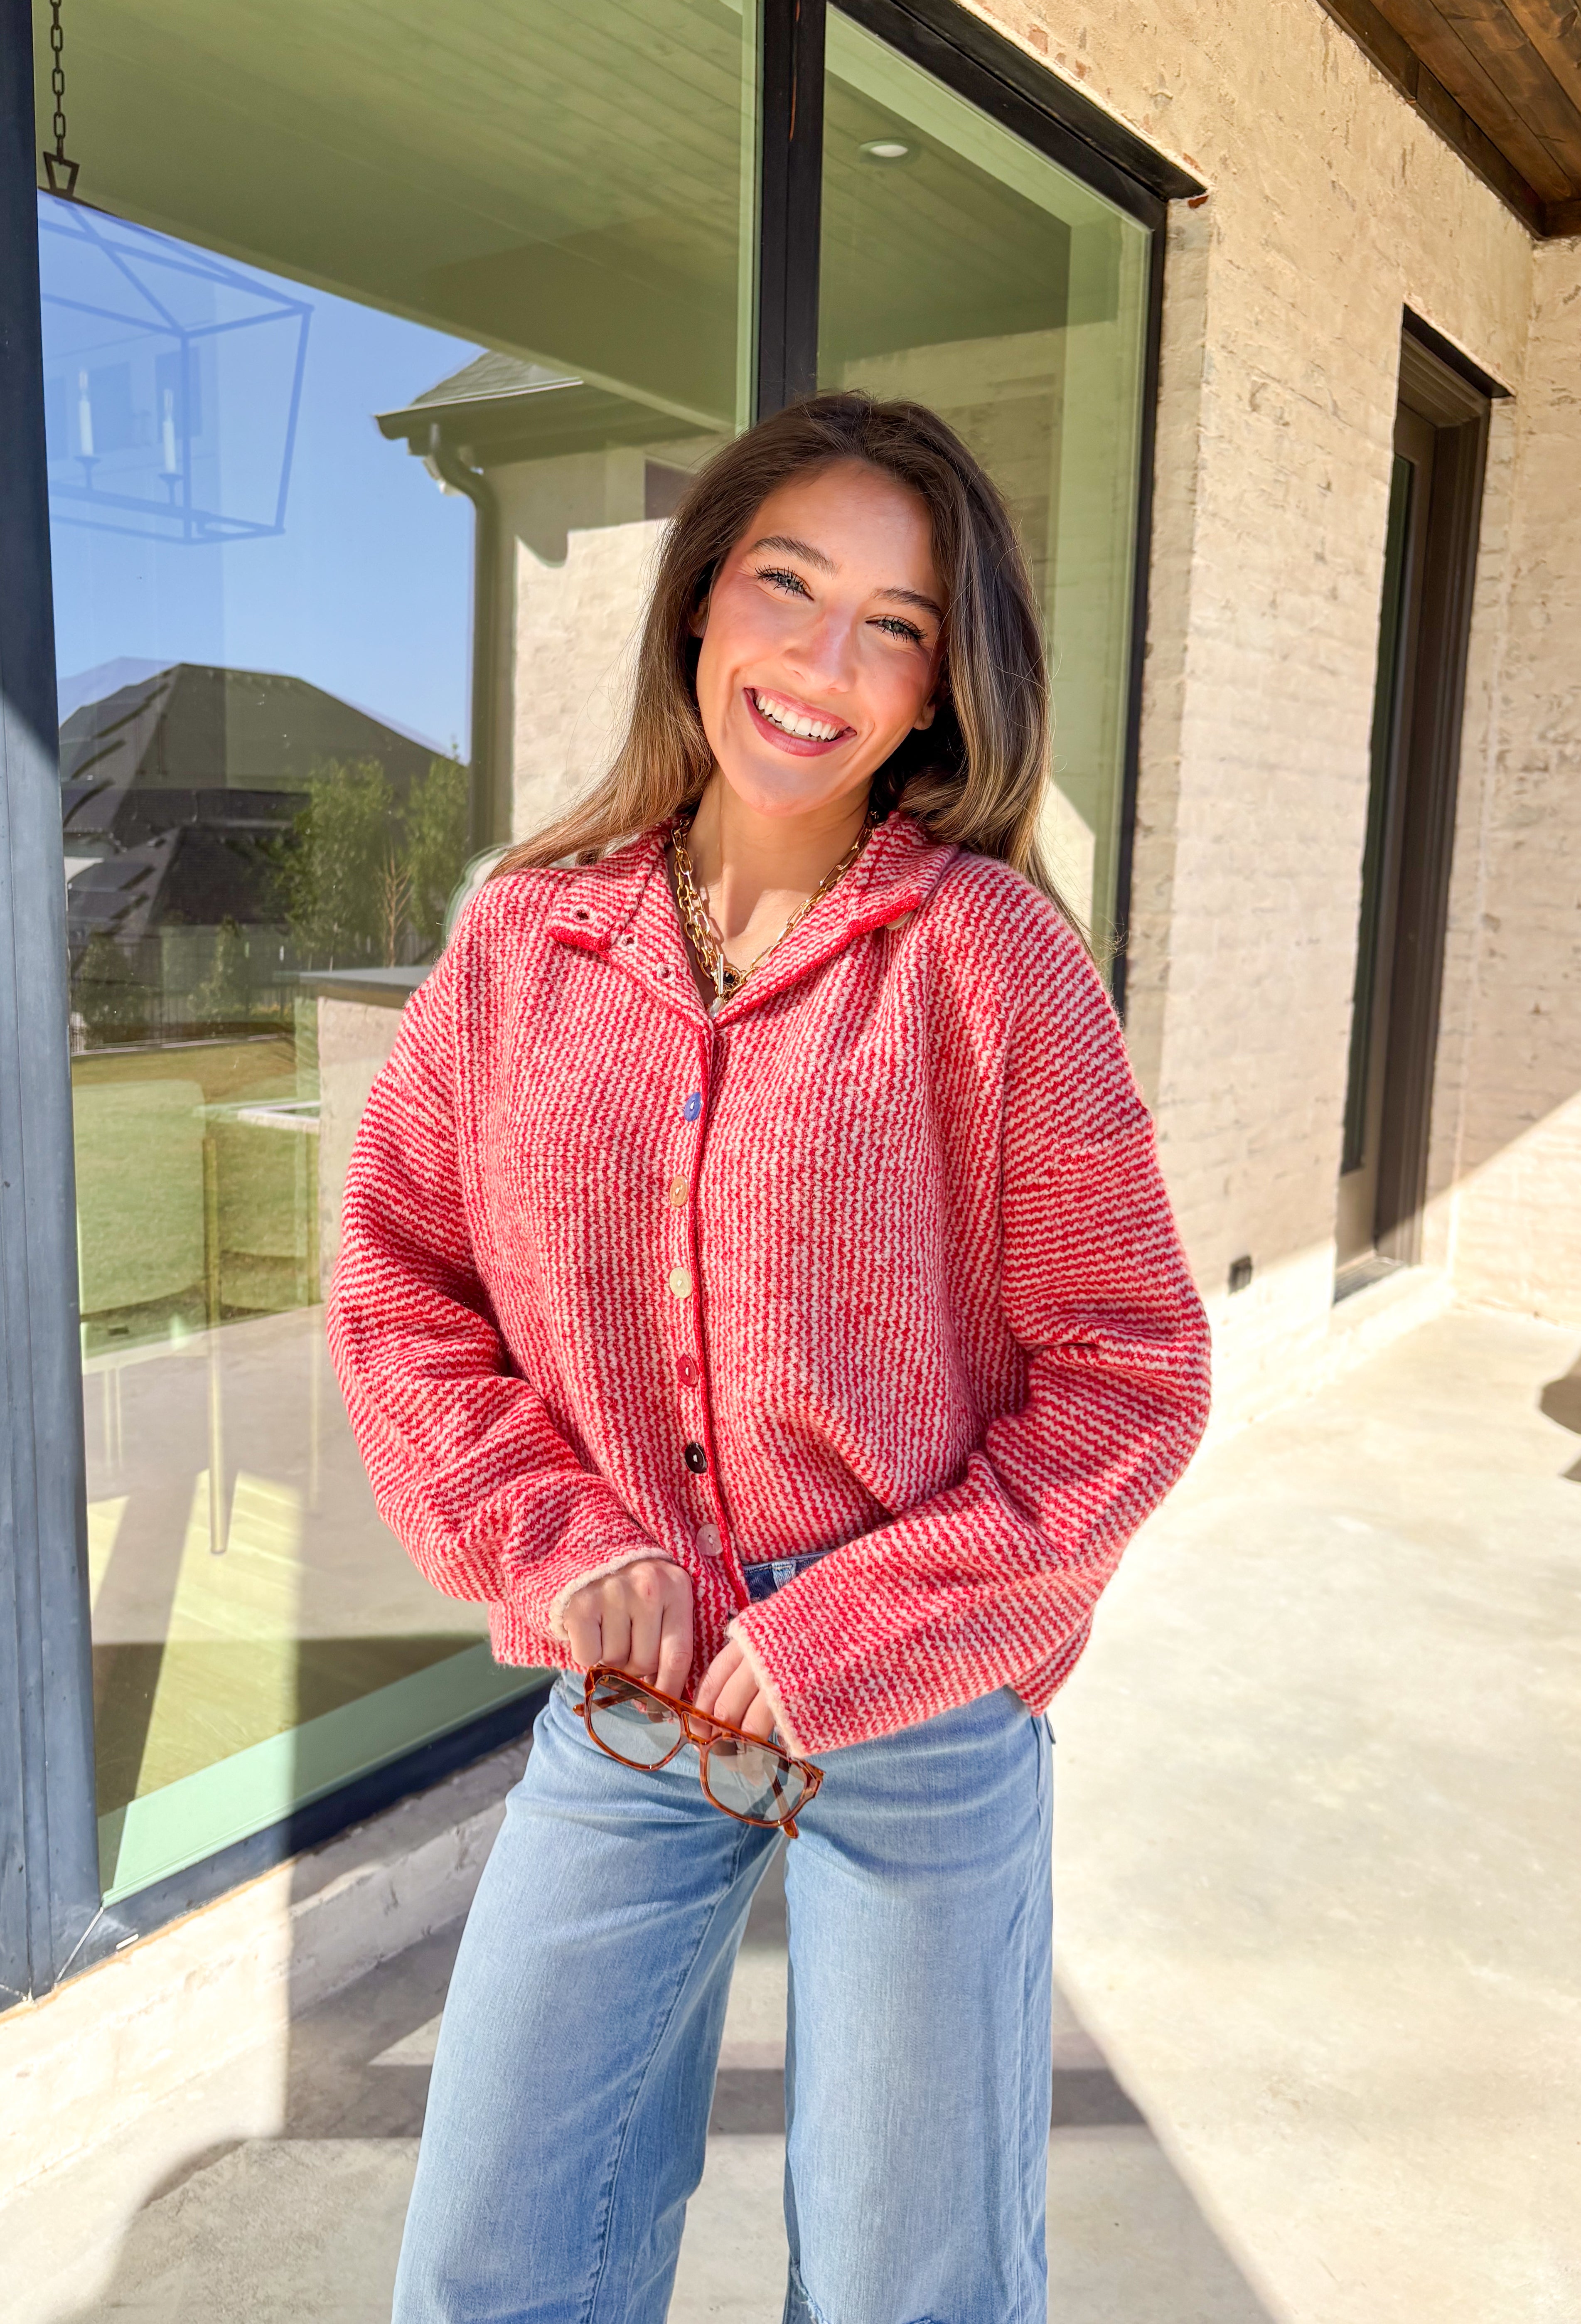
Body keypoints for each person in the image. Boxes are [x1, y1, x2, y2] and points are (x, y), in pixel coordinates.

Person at [328, 390, 1212, 2324]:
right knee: (493, 2257)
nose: (820, 663)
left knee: (915, 2277)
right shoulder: (523, 947)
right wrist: (556, 1538)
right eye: (787, 587)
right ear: (701, 606)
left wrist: (855, 1627)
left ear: (934, 694)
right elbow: (403, 1285)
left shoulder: (990, 961)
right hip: (636, 1681)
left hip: (915, 1683)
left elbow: (1131, 1371)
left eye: (890, 626)